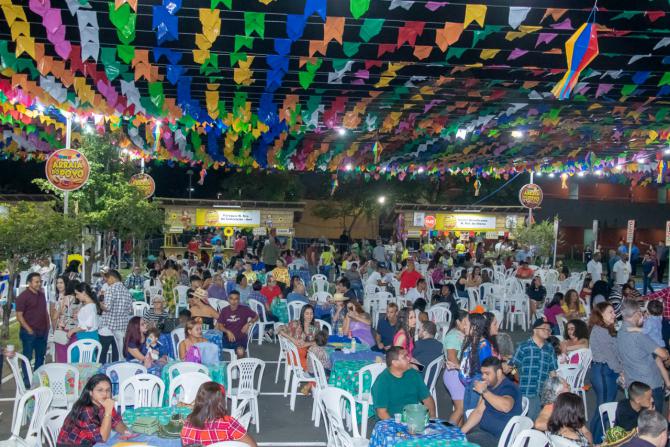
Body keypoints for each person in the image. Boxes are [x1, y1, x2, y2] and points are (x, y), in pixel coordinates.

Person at [618, 299, 670, 414]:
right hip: (649, 385)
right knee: (653, 423)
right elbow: (663, 354)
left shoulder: (620, 333)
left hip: (633, 386)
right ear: (636, 314)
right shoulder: (638, 336)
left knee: (640, 424)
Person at [57, 374, 132, 446]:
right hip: (71, 445)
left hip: (89, 442)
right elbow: (102, 438)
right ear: (90, 392)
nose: (105, 394)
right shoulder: (85, 410)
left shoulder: (105, 403)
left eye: (108, 390)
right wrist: (108, 411)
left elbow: (116, 422)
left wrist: (127, 432)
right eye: (100, 390)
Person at [461, 357, 522, 445]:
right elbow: (478, 412)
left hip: (497, 439)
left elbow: (506, 407)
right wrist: (460, 433)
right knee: (456, 438)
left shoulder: (509, 387)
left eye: (487, 373)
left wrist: (484, 392)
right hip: (483, 431)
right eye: (482, 373)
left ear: (499, 373)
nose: (483, 377)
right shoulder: (491, 386)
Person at [508, 318, 558, 419]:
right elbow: (513, 366)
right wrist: (517, 378)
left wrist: (554, 389)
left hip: (542, 392)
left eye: (549, 329)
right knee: (527, 419)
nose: (548, 331)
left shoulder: (549, 349)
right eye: (544, 328)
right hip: (526, 390)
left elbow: (552, 371)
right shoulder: (524, 346)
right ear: (535, 330)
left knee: (540, 419)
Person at [588, 302, 624, 442]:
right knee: (603, 407)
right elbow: (609, 356)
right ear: (600, 315)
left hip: (609, 370)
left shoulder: (608, 329)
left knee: (606, 406)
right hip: (603, 370)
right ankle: (594, 440)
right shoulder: (600, 331)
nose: (614, 315)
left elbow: (616, 352)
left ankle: (600, 437)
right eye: (610, 312)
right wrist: (621, 371)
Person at [181, 381, 257, 446]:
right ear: (221, 402)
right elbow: (252, 445)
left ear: (198, 400)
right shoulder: (228, 423)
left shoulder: (187, 425)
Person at [371, 346, 436, 419]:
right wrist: (397, 428)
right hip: (391, 422)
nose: (409, 358)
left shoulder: (413, 374)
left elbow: (427, 398)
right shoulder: (382, 382)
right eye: (405, 357)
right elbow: (382, 413)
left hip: (412, 419)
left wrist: (432, 418)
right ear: (395, 363)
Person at [16, 272, 49, 384]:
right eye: (36, 282)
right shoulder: (23, 297)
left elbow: (44, 312)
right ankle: (27, 381)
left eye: (40, 281)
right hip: (28, 333)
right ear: (29, 283)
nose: (39, 284)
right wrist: (29, 330)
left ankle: (37, 380)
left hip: (42, 332)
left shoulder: (42, 295)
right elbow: (19, 316)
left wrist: (47, 327)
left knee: (40, 357)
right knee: (27, 358)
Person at [99, 269, 132, 364]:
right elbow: (130, 310)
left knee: (103, 353)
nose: (107, 282)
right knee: (117, 354)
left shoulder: (110, 289)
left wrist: (100, 302)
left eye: (107, 279)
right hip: (122, 327)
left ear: (112, 278)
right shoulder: (127, 291)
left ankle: (102, 372)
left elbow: (107, 307)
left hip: (108, 327)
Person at [443, 310, 468, 425]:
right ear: (458, 322)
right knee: (460, 409)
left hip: (456, 373)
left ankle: (458, 436)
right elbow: (452, 358)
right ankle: (448, 436)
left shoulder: (459, 334)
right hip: (454, 374)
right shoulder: (453, 336)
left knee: (461, 410)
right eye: (466, 322)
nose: (468, 325)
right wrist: (463, 370)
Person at [279, 304, 320, 372]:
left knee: (317, 360)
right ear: (302, 314)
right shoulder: (296, 323)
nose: (309, 316)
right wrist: (293, 339)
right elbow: (279, 329)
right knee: (313, 366)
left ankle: (313, 379)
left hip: (310, 353)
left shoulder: (315, 325)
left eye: (311, 314)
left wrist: (306, 344)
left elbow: (319, 340)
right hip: (295, 353)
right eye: (307, 314)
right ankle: (312, 378)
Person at [216, 291, 258, 358]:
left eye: (236, 299)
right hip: (226, 339)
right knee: (213, 347)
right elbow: (220, 326)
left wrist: (248, 323)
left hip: (240, 339)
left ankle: (240, 367)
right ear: (228, 299)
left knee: (240, 351)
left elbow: (256, 316)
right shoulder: (224, 310)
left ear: (239, 300)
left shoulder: (244, 309)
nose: (234, 301)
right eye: (231, 299)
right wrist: (227, 331)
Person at [53, 277, 80, 362]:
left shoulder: (67, 298)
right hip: (75, 330)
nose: (59, 285)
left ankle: (63, 373)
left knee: (62, 355)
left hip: (64, 329)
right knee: (73, 355)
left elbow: (57, 315)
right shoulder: (79, 299)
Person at [68, 283, 102, 348]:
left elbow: (87, 326)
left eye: (77, 294)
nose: (76, 296)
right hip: (89, 337)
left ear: (83, 293)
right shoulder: (91, 305)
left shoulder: (89, 307)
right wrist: (78, 317)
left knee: (75, 356)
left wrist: (72, 331)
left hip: (86, 339)